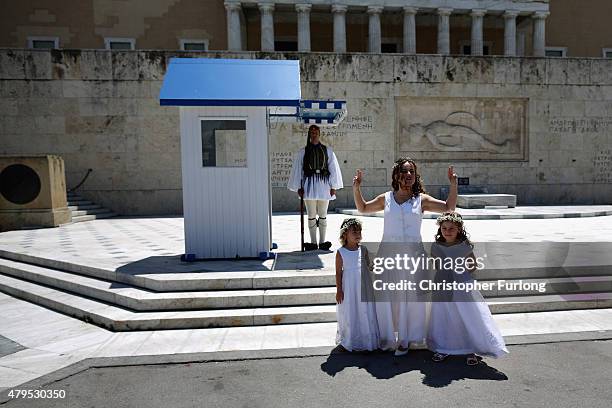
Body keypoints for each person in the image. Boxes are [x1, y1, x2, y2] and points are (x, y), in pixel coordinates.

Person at [352, 157, 458, 354]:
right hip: (389, 256)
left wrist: (453, 185)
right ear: (396, 175)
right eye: (405, 171)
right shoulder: (386, 198)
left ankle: (408, 338)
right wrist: (356, 188)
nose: (409, 175)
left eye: (412, 172)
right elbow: (363, 208)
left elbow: (448, 207)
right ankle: (389, 336)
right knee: (389, 296)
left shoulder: (421, 200)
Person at [427, 212, 509, 365]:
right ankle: (444, 347)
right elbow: (437, 265)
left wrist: (458, 271)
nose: (447, 231)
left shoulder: (464, 246)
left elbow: (472, 266)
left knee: (466, 315)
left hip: (461, 285)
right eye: (444, 228)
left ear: (459, 229)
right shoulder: (436, 246)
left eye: (451, 228)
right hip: (443, 284)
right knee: (445, 315)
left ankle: (470, 349)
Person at [288, 125, 343, 250]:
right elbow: (299, 170)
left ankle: (322, 242)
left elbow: (332, 168)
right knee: (311, 214)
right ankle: (313, 242)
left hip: (324, 184)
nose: (314, 134)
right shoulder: (303, 151)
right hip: (309, 184)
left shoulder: (327, 150)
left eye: (316, 131)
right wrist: (299, 187)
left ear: (319, 133)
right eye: (311, 132)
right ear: (309, 134)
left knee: (323, 214)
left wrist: (333, 186)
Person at [335, 218, 380, 352]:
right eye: (354, 231)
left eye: (359, 231)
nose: (358, 234)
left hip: (364, 287)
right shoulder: (341, 252)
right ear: (345, 234)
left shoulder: (363, 250)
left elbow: (367, 267)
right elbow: (338, 273)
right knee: (351, 311)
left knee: (365, 311)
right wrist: (339, 291)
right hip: (349, 288)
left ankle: (367, 340)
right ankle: (351, 339)